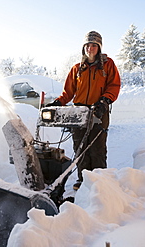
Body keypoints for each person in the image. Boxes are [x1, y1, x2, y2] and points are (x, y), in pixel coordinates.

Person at [47, 31, 121, 190]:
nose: (91, 48)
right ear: (83, 48)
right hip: (78, 112)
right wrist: (57, 102)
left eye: (94, 45)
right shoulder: (77, 69)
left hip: (98, 111)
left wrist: (105, 100)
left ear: (99, 47)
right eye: (88, 45)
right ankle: (82, 179)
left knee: (97, 148)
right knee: (80, 147)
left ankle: (99, 181)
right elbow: (68, 92)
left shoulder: (108, 65)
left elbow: (114, 86)